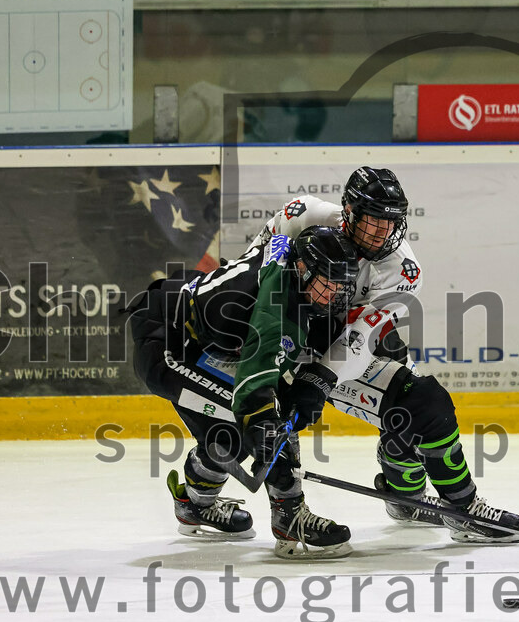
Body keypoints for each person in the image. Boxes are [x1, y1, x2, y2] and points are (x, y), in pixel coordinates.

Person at [246, 166, 519, 543]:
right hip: (277, 339)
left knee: (423, 403)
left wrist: (318, 380)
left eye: (389, 223)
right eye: (372, 221)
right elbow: (253, 280)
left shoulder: (402, 271)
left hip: (336, 345)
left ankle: (449, 504)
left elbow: (359, 339)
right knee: (267, 418)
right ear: (348, 210)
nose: (381, 233)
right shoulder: (301, 215)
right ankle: (271, 511)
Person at [129, 225, 360, 559]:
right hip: (168, 344)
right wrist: (265, 420)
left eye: (341, 286)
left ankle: (195, 504)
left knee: (232, 435)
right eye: (328, 284)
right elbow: (257, 375)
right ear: (303, 269)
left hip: (198, 338)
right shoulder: (278, 306)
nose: (334, 295)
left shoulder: (292, 269)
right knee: (263, 417)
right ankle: (290, 516)